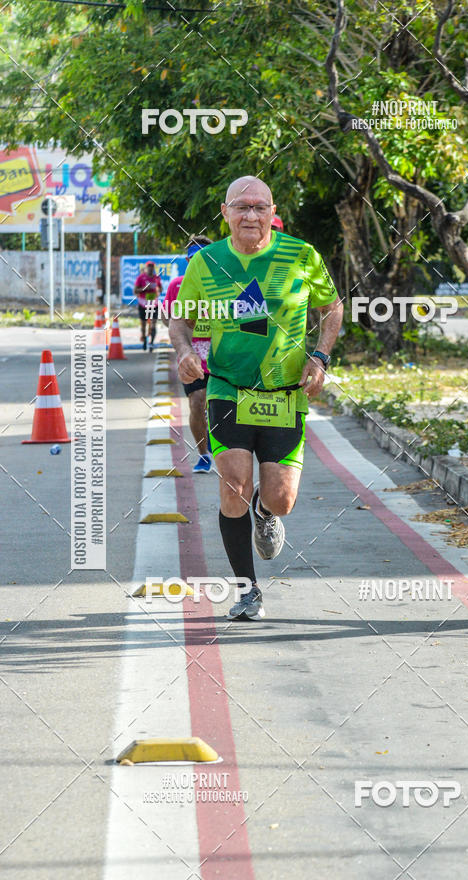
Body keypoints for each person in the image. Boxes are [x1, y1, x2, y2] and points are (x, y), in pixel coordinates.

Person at [170, 175, 343, 621]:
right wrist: (186, 350)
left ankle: (265, 512)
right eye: (241, 207)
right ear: (225, 213)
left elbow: (333, 307)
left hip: (285, 393)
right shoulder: (206, 262)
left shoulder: (301, 255)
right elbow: (180, 320)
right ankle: (248, 591)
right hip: (227, 387)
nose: (251, 215)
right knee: (233, 487)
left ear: (272, 212)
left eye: (259, 207)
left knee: (281, 498)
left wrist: (320, 357)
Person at [163, 236, 213, 473]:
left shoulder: (223, 284)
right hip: (192, 356)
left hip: (222, 356)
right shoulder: (177, 286)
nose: (199, 264)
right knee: (197, 401)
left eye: (204, 259)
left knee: (221, 405)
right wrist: (179, 328)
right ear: (187, 260)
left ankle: (219, 443)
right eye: (194, 260)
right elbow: (167, 317)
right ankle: (204, 454)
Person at [134, 261, 162, 350]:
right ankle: (144, 338)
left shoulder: (157, 278)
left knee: (153, 324)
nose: (150, 268)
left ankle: (152, 342)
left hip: (154, 304)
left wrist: (158, 291)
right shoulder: (141, 278)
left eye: (152, 266)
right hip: (143, 304)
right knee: (143, 324)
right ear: (146, 268)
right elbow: (135, 291)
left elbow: (160, 288)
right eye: (149, 266)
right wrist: (144, 288)